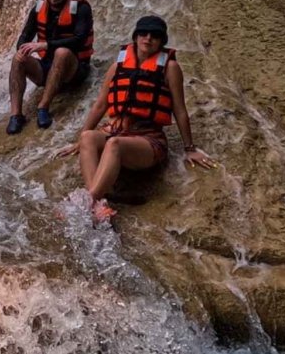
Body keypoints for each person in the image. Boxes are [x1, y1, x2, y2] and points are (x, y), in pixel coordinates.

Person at [57, 14, 216, 222]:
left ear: (161, 41)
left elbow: (179, 109)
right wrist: (79, 139)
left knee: (114, 144)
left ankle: (85, 202)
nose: (148, 39)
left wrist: (190, 148)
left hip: (148, 140)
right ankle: (98, 205)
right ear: (135, 37)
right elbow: (100, 105)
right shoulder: (118, 67)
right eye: (143, 34)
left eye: (154, 36)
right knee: (88, 137)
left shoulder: (170, 68)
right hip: (117, 130)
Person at [6, 0, 94, 133]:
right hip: (47, 69)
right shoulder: (39, 7)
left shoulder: (81, 8)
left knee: (61, 52)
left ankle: (43, 107)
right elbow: (25, 35)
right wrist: (21, 49)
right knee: (18, 59)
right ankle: (16, 115)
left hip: (74, 71)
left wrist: (45, 45)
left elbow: (79, 40)